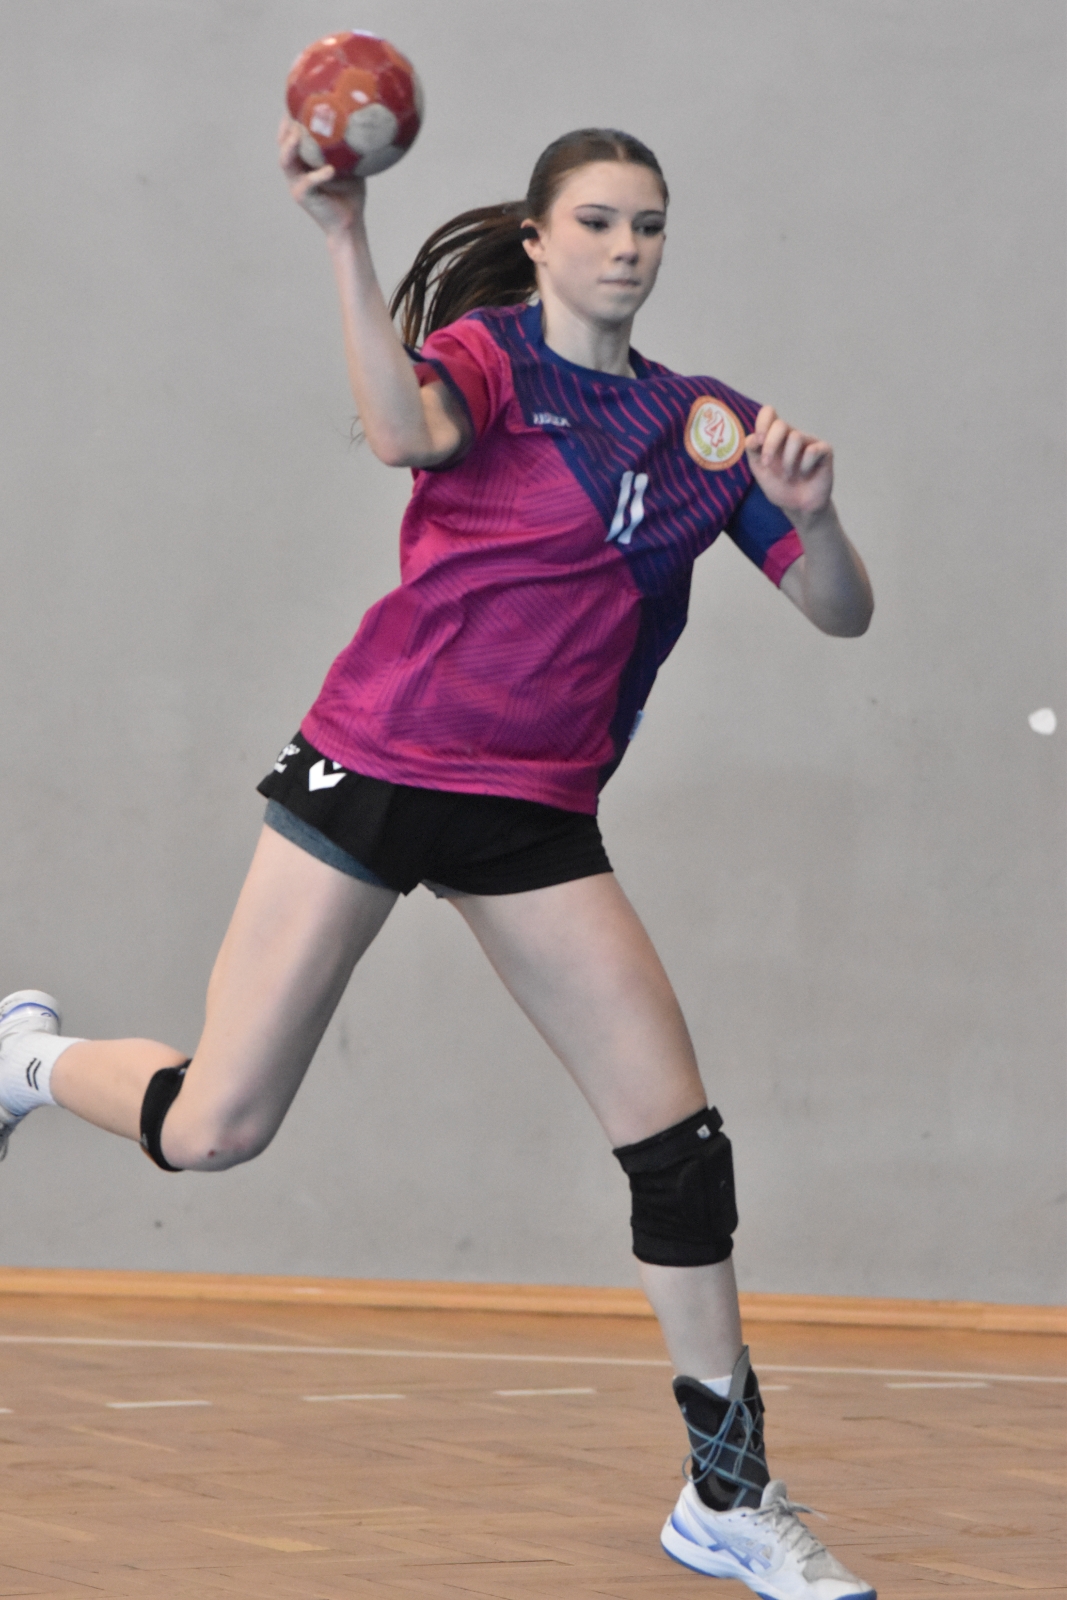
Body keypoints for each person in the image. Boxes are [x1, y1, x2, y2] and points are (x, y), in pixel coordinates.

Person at [0, 124, 875, 1600]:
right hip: (380, 762)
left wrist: (816, 516)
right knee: (215, 1129)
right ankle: (26, 1061)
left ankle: (728, 1493)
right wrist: (343, 233)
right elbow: (403, 434)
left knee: (679, 1147)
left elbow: (842, 613)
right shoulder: (488, 359)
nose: (626, 248)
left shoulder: (708, 430)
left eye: (649, 225)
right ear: (538, 239)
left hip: (532, 811)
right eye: (596, 221)